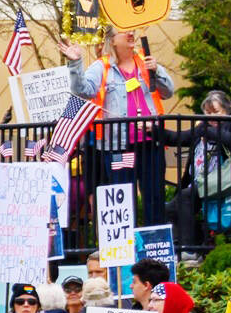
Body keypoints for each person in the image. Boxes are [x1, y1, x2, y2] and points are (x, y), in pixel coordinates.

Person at [61, 27, 176, 223]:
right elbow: (83, 90)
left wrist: (157, 70)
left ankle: (154, 246)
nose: (131, 34)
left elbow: (168, 92)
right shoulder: (102, 67)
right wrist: (75, 62)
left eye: (132, 31)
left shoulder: (145, 61)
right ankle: (125, 248)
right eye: (125, 31)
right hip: (118, 146)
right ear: (112, 40)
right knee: (123, 199)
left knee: (154, 197)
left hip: (151, 143)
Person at [155, 90, 231, 245]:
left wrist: (207, 131)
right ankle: (186, 243)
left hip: (226, 181)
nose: (211, 117)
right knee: (170, 209)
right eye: (207, 113)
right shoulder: (204, 126)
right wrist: (154, 130)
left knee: (185, 198)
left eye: (215, 112)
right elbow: (178, 138)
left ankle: (188, 248)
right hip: (204, 183)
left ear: (227, 109)